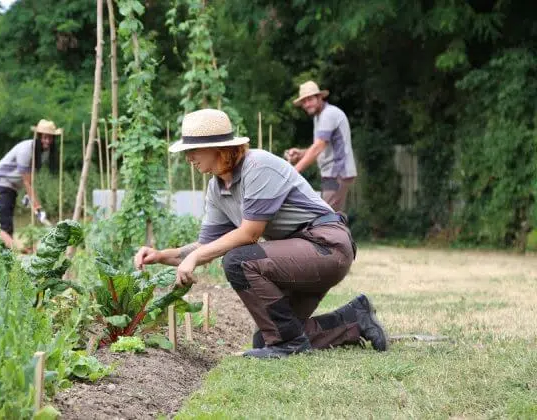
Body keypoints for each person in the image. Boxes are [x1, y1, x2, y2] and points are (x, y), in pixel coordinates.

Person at [133, 108, 387, 359]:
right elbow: (205, 246)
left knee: (238, 259)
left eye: (193, 151)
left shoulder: (258, 166)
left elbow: (249, 234)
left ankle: (290, 344)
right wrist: (159, 255)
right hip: (297, 254)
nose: (189, 158)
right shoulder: (216, 188)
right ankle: (354, 320)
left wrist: (195, 258)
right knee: (268, 337)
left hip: (326, 246)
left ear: (217, 148)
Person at [285, 81, 357, 213]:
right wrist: (300, 153)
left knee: (326, 216)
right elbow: (321, 147)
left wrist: (293, 171)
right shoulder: (319, 117)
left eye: (310, 99)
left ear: (319, 97)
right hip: (332, 174)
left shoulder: (328, 114)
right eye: (304, 102)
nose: (307, 104)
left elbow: (317, 148)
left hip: (337, 172)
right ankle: (341, 232)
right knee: (333, 217)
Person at [0, 119, 60, 248]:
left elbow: (30, 176)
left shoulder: (44, 153)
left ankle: (7, 253)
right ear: (38, 137)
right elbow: (26, 181)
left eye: (50, 138)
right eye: (45, 137)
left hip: (13, 187)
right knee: (3, 223)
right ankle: (4, 254)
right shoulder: (26, 149)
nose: (47, 141)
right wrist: (38, 207)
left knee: (8, 218)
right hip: (2, 182)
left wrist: (28, 196)